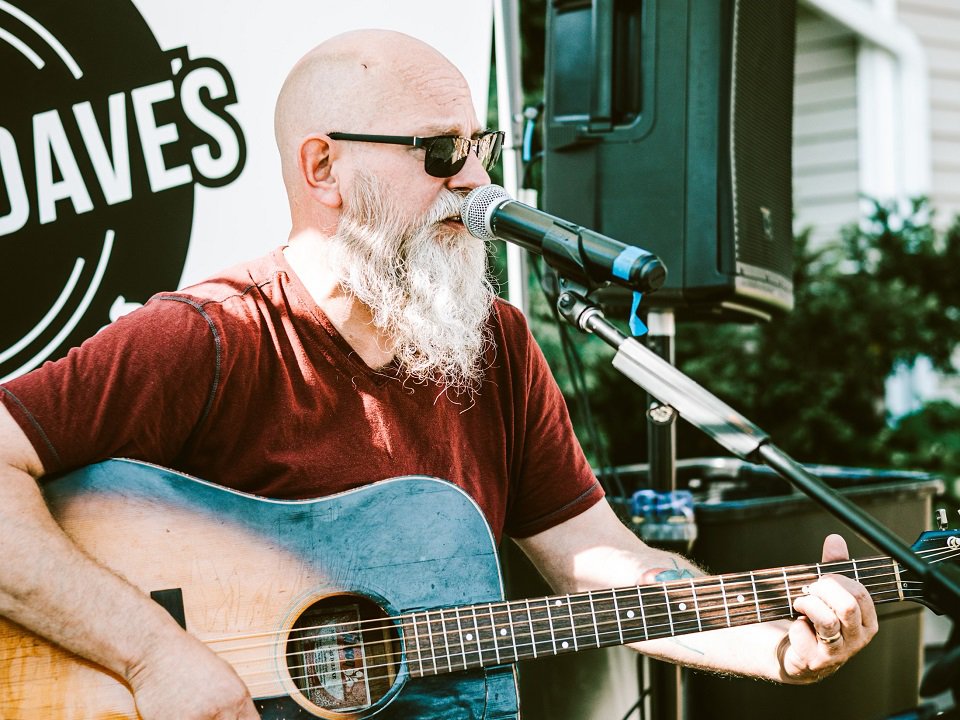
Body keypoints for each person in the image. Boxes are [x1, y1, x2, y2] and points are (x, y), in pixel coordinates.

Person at [0, 28, 876, 720]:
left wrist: (768, 640)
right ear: (323, 167)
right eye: (439, 152)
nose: (477, 184)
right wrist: (153, 655)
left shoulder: (496, 346)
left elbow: (597, 566)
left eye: (479, 146)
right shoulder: (210, 336)